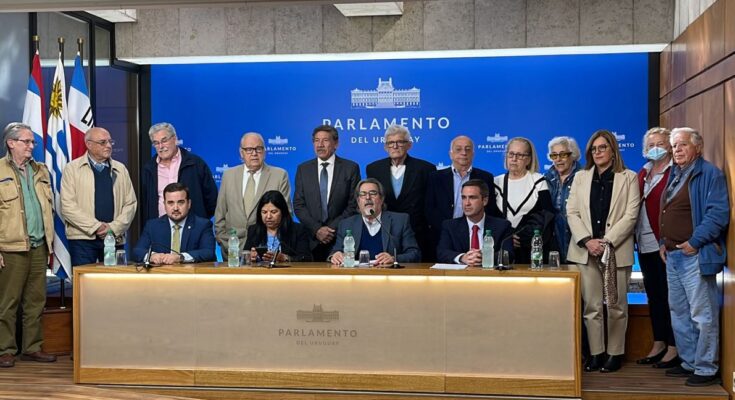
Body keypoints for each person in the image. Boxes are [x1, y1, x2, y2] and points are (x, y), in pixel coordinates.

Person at [566, 129, 640, 373]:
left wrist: (606, 242)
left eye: (602, 148)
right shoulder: (580, 177)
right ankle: (596, 353)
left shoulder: (629, 177)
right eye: (594, 149)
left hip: (616, 250)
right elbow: (572, 212)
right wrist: (588, 241)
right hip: (585, 251)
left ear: (613, 150)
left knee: (616, 306)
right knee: (592, 307)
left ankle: (614, 354)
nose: (598, 152)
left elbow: (631, 215)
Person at [660, 128, 728, 387]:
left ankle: (706, 368)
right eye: (674, 146)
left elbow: (718, 214)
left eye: (683, 145)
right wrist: (663, 242)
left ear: (697, 147)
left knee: (702, 314)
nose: (677, 150)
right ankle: (688, 362)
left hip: (694, 255)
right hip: (672, 255)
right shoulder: (675, 173)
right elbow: (667, 211)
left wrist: (694, 242)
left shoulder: (709, 173)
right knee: (679, 313)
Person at [0, 123, 57, 368]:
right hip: (10, 248)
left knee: (36, 301)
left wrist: (49, 244)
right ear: (11, 143)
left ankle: (32, 347)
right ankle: (5, 349)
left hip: (38, 246)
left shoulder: (40, 170)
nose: (32, 146)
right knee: (8, 302)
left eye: (33, 141)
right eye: (26, 141)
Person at [60, 127, 137, 266]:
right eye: (103, 142)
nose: (108, 146)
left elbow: (130, 204)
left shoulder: (121, 169)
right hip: (82, 240)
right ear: (89, 144)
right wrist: (96, 227)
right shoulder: (72, 169)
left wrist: (113, 228)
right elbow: (67, 206)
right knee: (84, 278)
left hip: (114, 238)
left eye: (110, 142)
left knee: (113, 279)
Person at [634, 127, 678, 369]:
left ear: (670, 146)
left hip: (665, 245)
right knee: (654, 296)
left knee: (670, 296)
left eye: (660, 143)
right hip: (644, 243)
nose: (655, 148)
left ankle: (674, 346)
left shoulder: (675, 172)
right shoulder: (643, 172)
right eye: (651, 145)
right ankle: (659, 342)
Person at [214, 132, 290, 259]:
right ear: (241, 153)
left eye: (258, 149)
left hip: (263, 251)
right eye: (249, 149)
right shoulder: (228, 175)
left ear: (264, 151)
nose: (254, 153)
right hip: (231, 250)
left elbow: (286, 214)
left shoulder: (279, 175)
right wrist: (225, 243)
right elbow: (220, 215)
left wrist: (268, 250)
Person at [366, 125, 435, 259]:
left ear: (409, 145)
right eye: (390, 143)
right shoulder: (373, 169)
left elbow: (430, 203)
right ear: (385, 147)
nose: (395, 146)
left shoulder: (425, 169)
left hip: (416, 232)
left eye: (400, 142)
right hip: (385, 231)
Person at [425, 135, 499, 260]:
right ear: (450, 154)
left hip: (476, 236)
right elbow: (429, 209)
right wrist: (450, 230)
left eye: (468, 149)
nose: (464, 153)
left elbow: (490, 208)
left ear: (473, 154)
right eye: (458, 149)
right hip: (443, 237)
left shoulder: (485, 177)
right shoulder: (435, 177)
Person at [294, 125, 361, 262]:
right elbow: (299, 205)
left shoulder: (350, 168)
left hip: (340, 239)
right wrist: (317, 229)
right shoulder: (303, 169)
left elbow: (353, 204)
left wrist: (331, 229)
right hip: (310, 240)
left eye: (325, 140)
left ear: (336, 143)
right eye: (316, 140)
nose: (320, 145)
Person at [329, 178, 420, 265]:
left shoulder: (400, 221)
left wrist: (394, 258)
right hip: (356, 274)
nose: (368, 197)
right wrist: (335, 256)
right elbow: (335, 251)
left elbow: (415, 254)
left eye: (373, 193)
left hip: (388, 274)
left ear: (381, 199)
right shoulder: (346, 224)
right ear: (358, 201)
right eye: (363, 194)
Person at [141, 122, 217, 224]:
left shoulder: (196, 164)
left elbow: (212, 200)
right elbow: (145, 204)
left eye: (164, 141)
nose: (161, 146)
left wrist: (198, 222)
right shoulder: (148, 169)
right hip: (160, 229)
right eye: (156, 143)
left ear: (175, 139)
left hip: (192, 229)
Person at [494, 137, 555, 263]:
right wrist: (507, 238)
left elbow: (546, 216)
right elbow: (491, 217)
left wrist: (523, 237)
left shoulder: (538, 181)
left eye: (520, 155)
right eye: (511, 154)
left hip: (531, 250)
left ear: (528, 159)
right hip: (501, 249)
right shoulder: (496, 182)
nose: (514, 159)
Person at [133, 183, 216, 264]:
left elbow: (208, 252)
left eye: (180, 202)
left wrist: (181, 257)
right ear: (164, 205)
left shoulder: (202, 225)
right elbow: (137, 251)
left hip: (190, 273)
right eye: (170, 203)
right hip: (161, 272)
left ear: (189, 204)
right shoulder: (152, 225)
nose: (175, 208)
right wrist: (151, 256)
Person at [437, 179, 513, 265]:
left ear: (484, 201)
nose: (467, 203)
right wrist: (462, 257)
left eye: (472, 197)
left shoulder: (502, 226)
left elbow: (508, 254)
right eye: (464, 197)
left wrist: (484, 258)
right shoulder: (450, 226)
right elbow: (442, 252)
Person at [244, 190, 312, 263]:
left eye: (273, 212)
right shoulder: (253, 230)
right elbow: (245, 255)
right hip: (260, 270)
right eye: (264, 212)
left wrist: (285, 258)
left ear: (283, 212)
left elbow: (306, 258)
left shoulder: (298, 230)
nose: (268, 216)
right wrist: (250, 257)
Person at [543, 136, 582, 263]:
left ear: (573, 155)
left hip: (578, 241)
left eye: (563, 154)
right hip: (552, 242)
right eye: (554, 155)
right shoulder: (545, 179)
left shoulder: (584, 177)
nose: (558, 159)